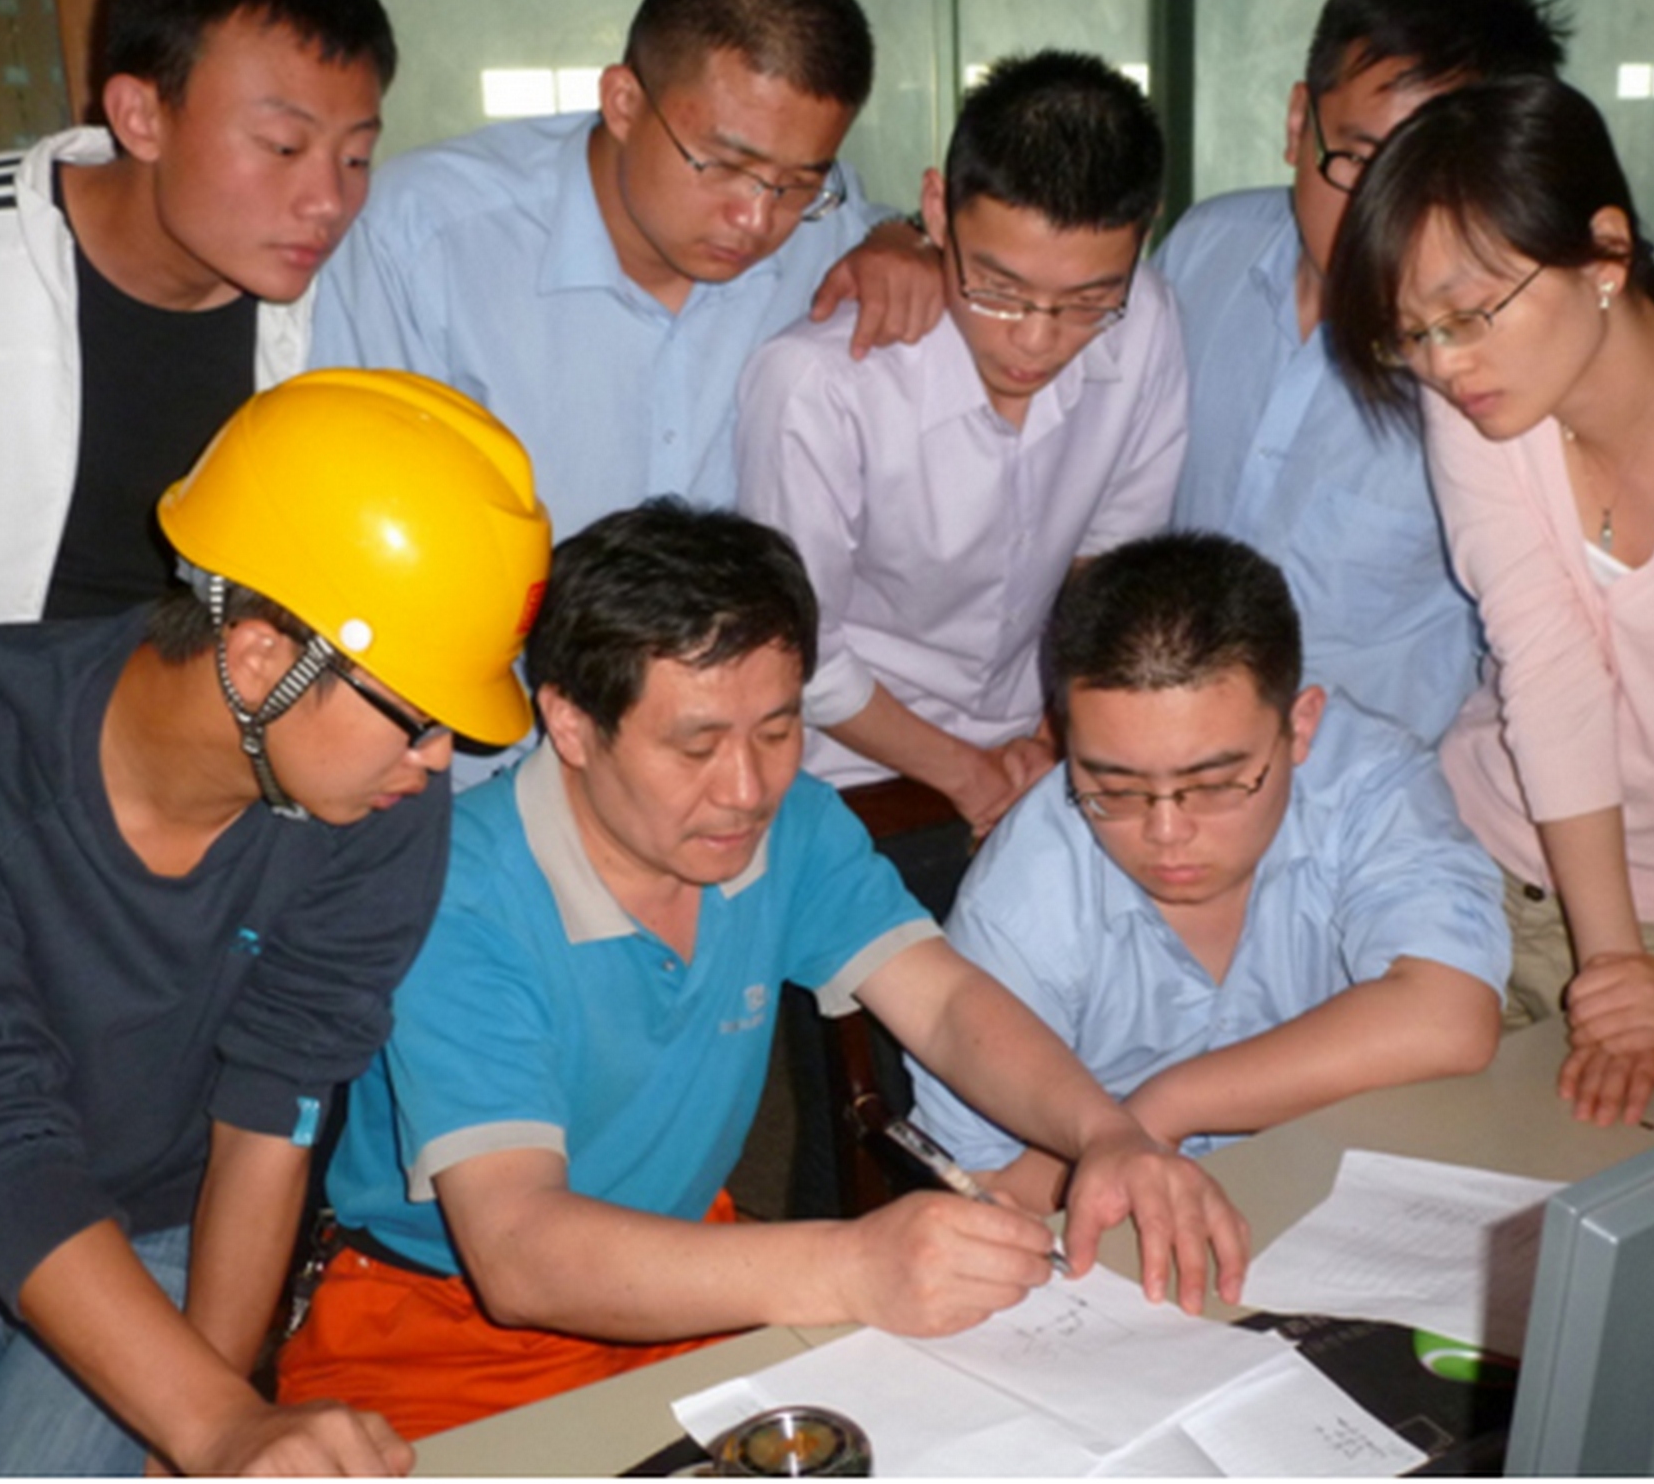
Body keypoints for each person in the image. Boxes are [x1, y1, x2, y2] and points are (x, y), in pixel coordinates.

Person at [275, 500, 1249, 1443]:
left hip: (691, 1267)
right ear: (568, 723)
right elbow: (519, 1253)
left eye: (778, 732)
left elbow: (946, 1003)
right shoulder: (459, 888)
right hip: (436, 1324)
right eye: (696, 745)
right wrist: (853, 1264)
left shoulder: (793, 828)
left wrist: (1103, 1132)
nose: (746, 790)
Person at [0, 370, 552, 1476]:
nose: (437, 763)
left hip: (156, 1237)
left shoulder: (372, 804)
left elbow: (276, 1108)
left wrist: (210, 1423)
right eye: (420, 717)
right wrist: (216, 1421)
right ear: (264, 654)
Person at [1323, 75, 1654, 1127]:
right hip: (1467, 866)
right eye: (1410, 334)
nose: (1444, 365)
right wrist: (1610, 980)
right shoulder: (1480, 406)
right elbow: (1548, 675)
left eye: (1468, 314)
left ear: (1604, 253)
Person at [906, 532, 1507, 1204]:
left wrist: (1164, 1109)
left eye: (1215, 784)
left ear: (1301, 726)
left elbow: (1450, 1015)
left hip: (1345, 1178)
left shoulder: (1367, 780)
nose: (1166, 834)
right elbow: (984, 1178)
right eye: (1116, 788)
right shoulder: (1022, 896)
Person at [0, 0, 396, 675]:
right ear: (140, 117)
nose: (328, 202)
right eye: (283, 146)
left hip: (208, 731)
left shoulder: (358, 299)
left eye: (356, 158)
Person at [737, 50, 1183, 862]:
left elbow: (1112, 565)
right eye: (998, 290)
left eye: (1087, 301)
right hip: (846, 779)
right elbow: (802, 653)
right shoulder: (822, 385)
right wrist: (971, 777)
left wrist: (1053, 734)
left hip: (1041, 750)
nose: (1037, 340)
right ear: (937, 210)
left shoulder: (1146, 316)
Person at [308, 0, 943, 552]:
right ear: (623, 103)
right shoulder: (424, 240)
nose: (755, 219)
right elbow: (354, 514)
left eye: (798, 182)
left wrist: (910, 238)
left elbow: (893, 229)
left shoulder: (823, 223)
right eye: (724, 165)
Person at [1151, 0, 1566, 746]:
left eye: (1428, 179)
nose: (1382, 213)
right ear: (1297, 124)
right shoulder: (1202, 252)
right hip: (1152, 747)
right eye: (1358, 158)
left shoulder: (1498, 371)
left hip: (1357, 789)